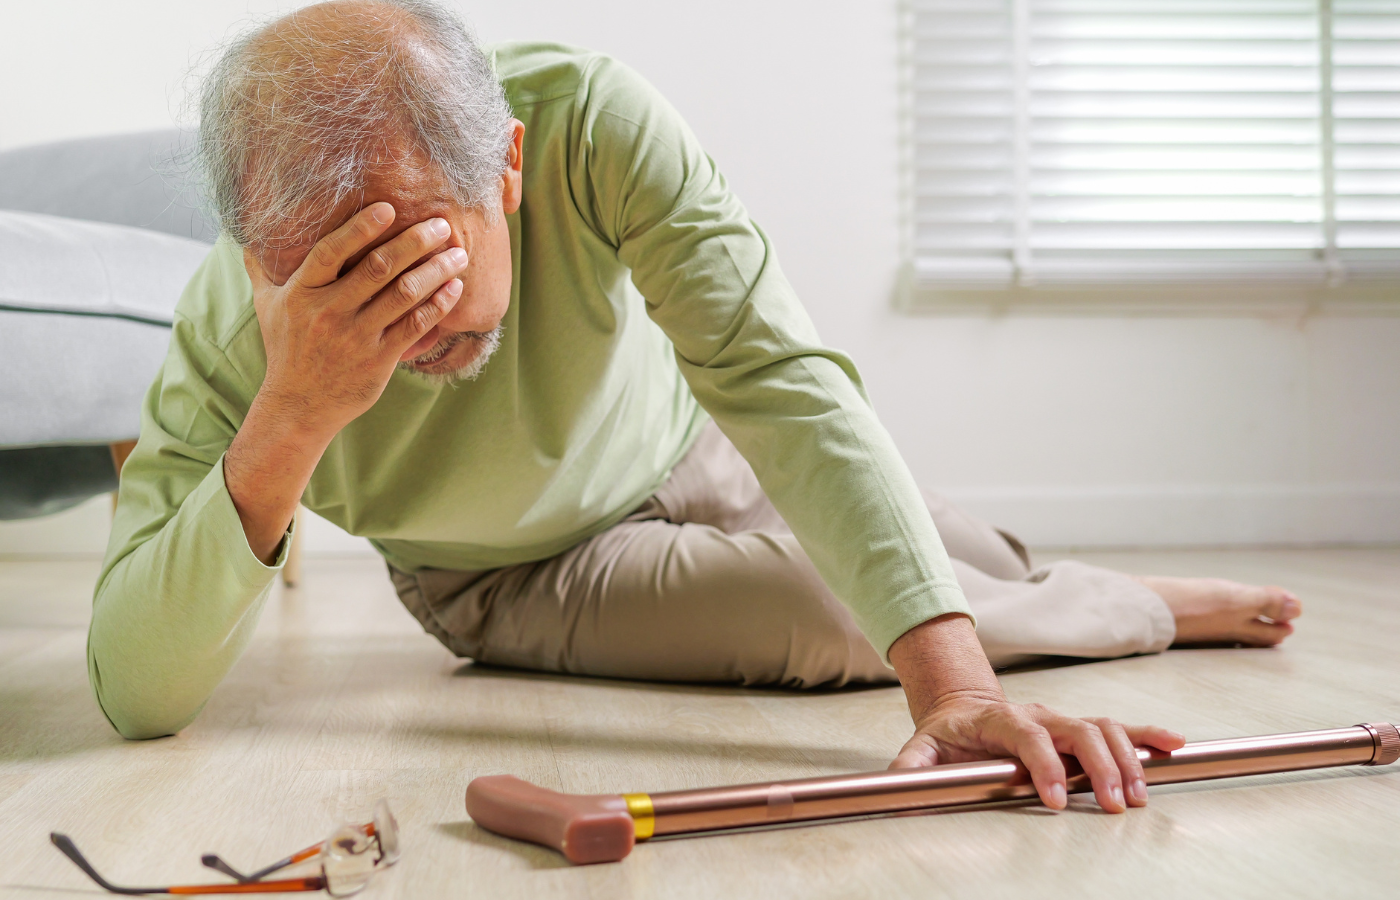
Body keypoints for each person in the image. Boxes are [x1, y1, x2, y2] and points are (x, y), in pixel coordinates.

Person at [92, 0, 1302, 816]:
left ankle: (1041, 594)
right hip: (508, 570)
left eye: (417, 260)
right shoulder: (229, 322)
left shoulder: (593, 121)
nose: (389, 323)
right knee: (832, 611)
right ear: (252, 245)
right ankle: (1130, 606)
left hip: (691, 444)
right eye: (326, 277)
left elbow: (777, 379)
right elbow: (135, 691)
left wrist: (951, 680)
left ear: (506, 168)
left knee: (944, 560)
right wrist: (295, 413)